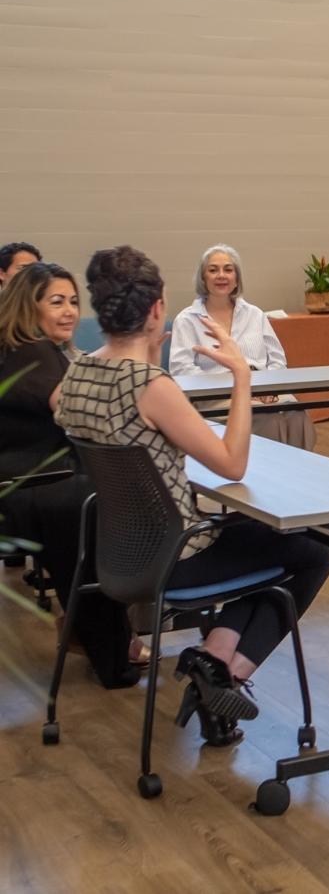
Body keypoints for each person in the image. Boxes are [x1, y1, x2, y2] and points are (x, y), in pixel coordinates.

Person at [55, 247, 329, 744]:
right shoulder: (150, 385)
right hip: (173, 556)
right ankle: (229, 672)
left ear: (99, 310)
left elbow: (73, 412)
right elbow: (232, 463)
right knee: (311, 552)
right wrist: (242, 376)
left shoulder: (75, 376)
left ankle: (212, 664)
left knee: (261, 538)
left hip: (111, 553)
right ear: (158, 309)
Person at [0, 262, 144, 689]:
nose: (68, 312)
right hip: (38, 491)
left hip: (29, 485)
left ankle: (104, 633)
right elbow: (76, 409)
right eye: (56, 301)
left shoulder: (20, 348)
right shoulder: (34, 351)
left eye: (73, 302)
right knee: (113, 500)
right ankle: (113, 651)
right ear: (29, 307)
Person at [169, 244, 316, 451]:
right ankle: (266, 478)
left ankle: (301, 475)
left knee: (296, 412)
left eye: (228, 269)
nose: (221, 275)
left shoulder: (255, 314)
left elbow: (277, 360)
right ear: (203, 278)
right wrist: (239, 388)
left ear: (237, 278)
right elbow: (181, 370)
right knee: (268, 419)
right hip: (216, 396)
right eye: (213, 270)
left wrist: (269, 388)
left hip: (263, 389)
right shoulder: (187, 320)